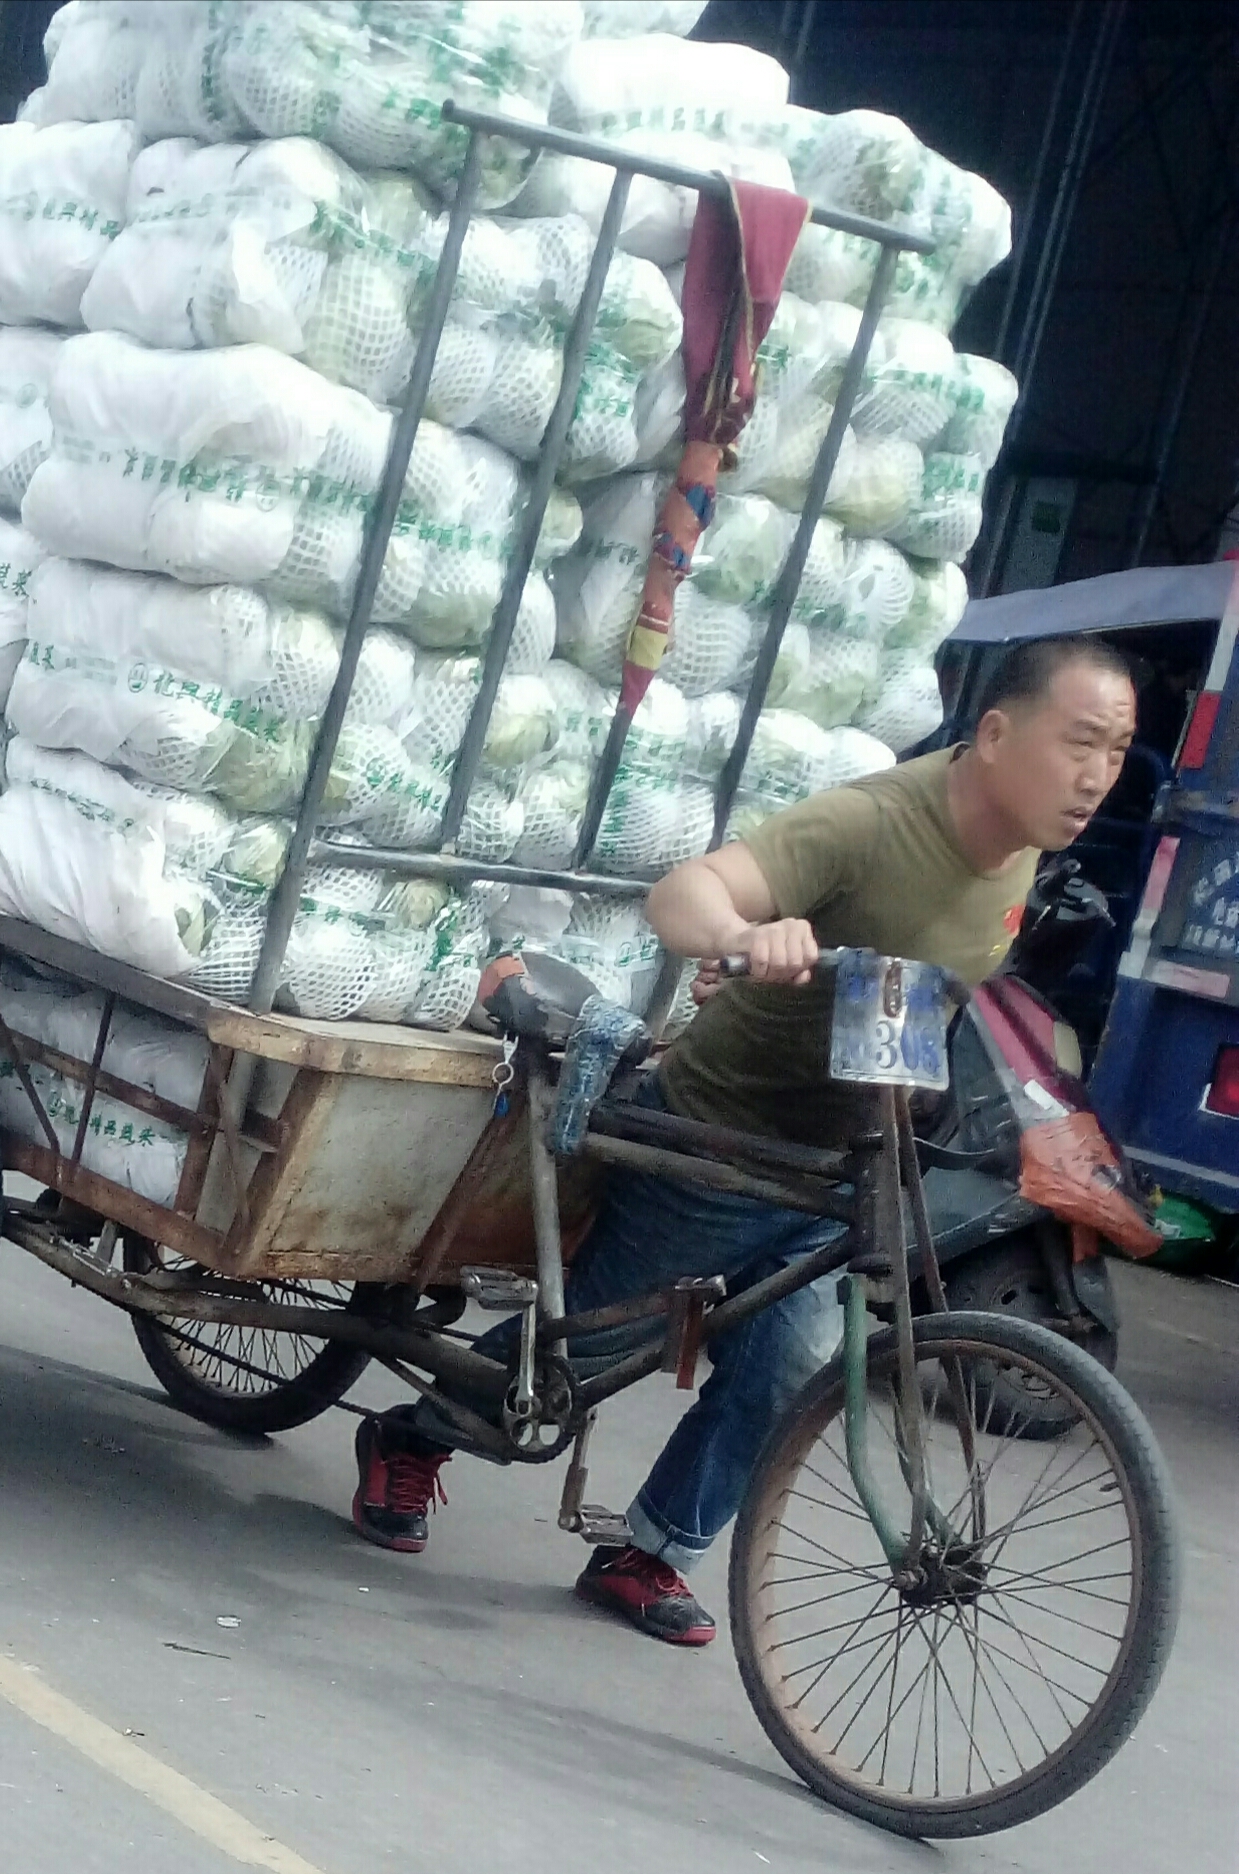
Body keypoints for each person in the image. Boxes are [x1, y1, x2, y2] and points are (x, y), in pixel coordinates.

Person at [347, 635, 1138, 1646]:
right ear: (994, 732)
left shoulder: (1024, 848)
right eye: (1080, 741)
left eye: (1114, 751)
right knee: (586, 1345)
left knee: (788, 1366)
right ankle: (411, 1432)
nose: (1096, 774)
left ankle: (651, 1546)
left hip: (838, 1160)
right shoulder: (870, 820)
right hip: (721, 1133)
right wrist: (743, 935)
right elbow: (682, 894)